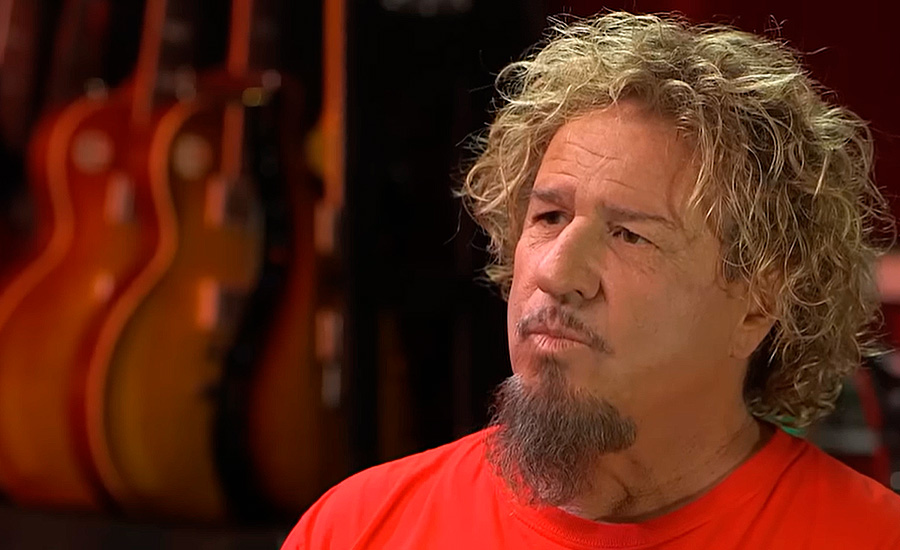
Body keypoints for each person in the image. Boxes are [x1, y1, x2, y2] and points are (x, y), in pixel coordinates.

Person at [282, 11, 900, 549]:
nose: (557, 273)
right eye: (549, 217)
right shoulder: (356, 529)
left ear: (757, 304)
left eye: (630, 234)